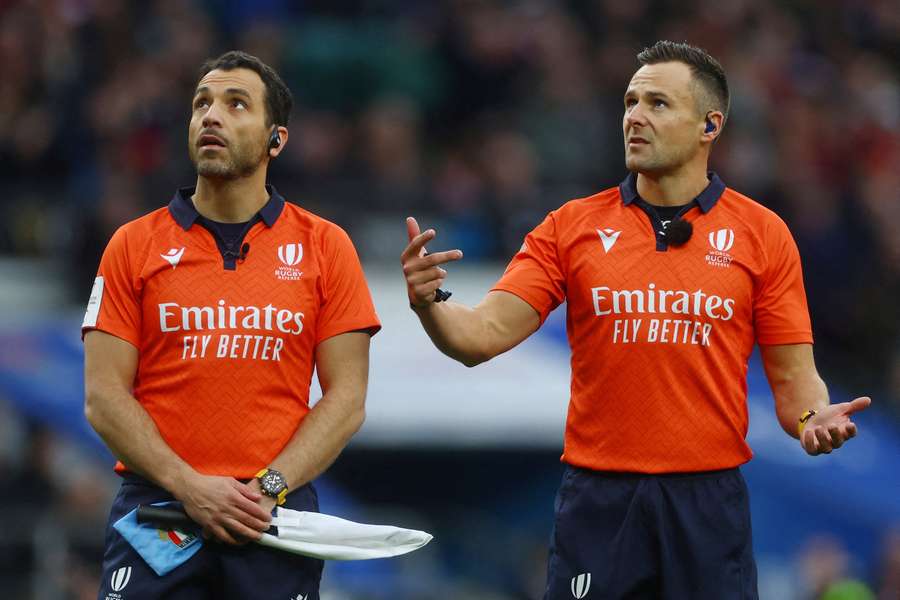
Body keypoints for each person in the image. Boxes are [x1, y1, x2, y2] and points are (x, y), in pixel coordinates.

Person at [400, 40, 871, 599]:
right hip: (601, 502)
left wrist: (815, 419)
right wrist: (430, 304)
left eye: (658, 103)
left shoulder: (763, 235)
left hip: (707, 502)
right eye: (630, 102)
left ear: (709, 126)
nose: (635, 117)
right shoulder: (570, 228)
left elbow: (796, 385)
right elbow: (479, 336)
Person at [83, 50, 380, 600]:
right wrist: (190, 486)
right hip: (159, 512)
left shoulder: (326, 246)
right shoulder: (132, 245)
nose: (210, 116)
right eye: (201, 104)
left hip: (272, 512)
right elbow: (103, 397)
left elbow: (347, 400)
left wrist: (267, 489)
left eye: (236, 104)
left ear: (277, 139)